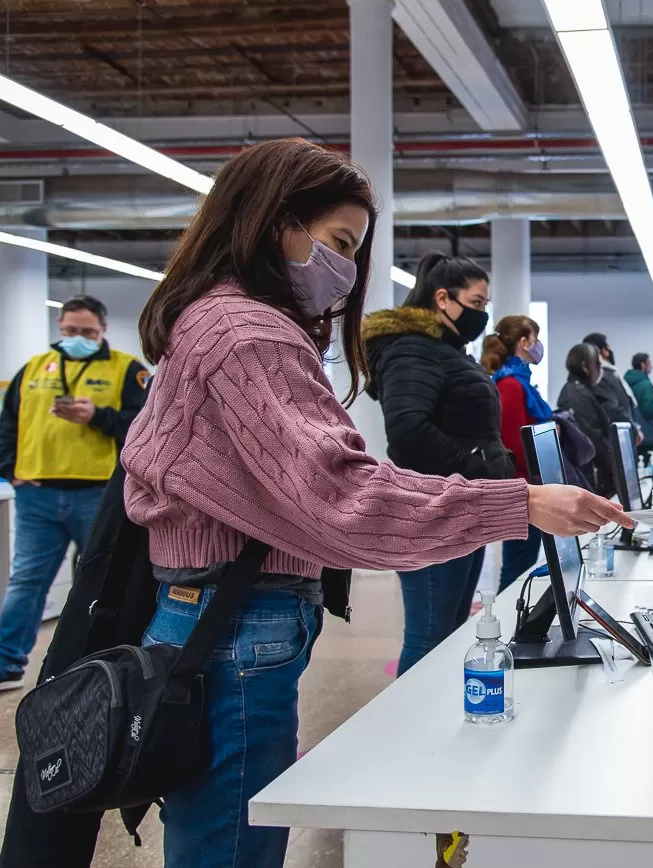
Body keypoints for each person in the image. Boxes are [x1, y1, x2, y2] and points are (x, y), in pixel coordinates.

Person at [115, 138, 627, 868]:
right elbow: (341, 494)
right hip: (234, 622)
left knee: (227, 832)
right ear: (272, 221)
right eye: (339, 242)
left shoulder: (223, 321)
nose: (347, 270)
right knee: (231, 846)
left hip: (228, 613)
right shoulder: (245, 332)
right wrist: (517, 502)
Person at [363, 251, 515, 675]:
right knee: (429, 637)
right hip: (430, 515)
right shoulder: (413, 348)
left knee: (449, 632)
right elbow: (408, 432)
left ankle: (438, 729)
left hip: (462, 508)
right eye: (477, 303)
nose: (483, 315)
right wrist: (478, 466)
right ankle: (412, 730)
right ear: (443, 298)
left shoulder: (447, 350)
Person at [0, 295, 148, 691]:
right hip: (37, 494)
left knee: (102, 580)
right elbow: (9, 423)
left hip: (97, 495)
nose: (77, 338)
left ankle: (96, 665)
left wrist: (96, 417)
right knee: (26, 582)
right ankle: (6, 664)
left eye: (86, 332)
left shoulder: (126, 370)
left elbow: (143, 425)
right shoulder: (33, 369)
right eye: (69, 331)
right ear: (59, 329)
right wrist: (9, 469)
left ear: (102, 331)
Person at [482, 314, 552, 592]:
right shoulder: (511, 385)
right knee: (517, 568)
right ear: (524, 342)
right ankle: (511, 624)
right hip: (522, 489)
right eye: (535, 338)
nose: (538, 345)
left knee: (522, 564)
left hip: (529, 487)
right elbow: (514, 444)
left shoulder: (519, 382)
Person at [557, 343, 615, 497]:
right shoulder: (576, 395)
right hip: (591, 475)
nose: (600, 370)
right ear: (585, 366)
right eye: (597, 364)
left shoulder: (580, 391)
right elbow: (592, 438)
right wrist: (615, 467)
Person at [582, 332, 645, 443]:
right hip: (617, 437)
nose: (609, 352)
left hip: (622, 433)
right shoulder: (601, 376)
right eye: (607, 348)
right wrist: (633, 430)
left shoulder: (610, 373)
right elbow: (613, 408)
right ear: (601, 351)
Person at [624, 352, 653, 425]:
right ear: (643, 364)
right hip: (645, 429)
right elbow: (648, 409)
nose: (652, 366)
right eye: (649, 363)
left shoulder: (626, 381)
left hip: (632, 426)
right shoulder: (645, 384)